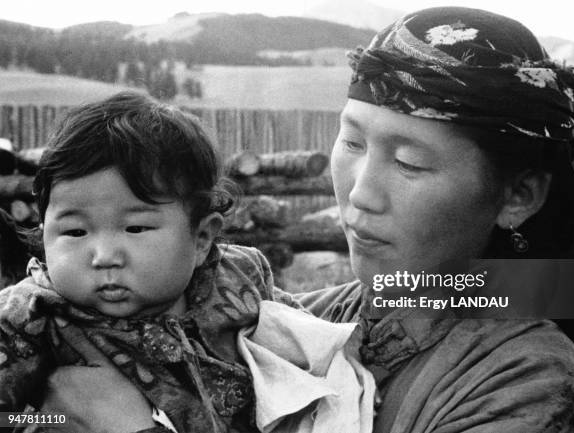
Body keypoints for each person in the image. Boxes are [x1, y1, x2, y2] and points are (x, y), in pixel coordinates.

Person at [37, 6, 574, 433]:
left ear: (519, 195)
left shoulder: (525, 385)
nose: (358, 194)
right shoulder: (303, 320)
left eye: (409, 162)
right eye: (351, 142)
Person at [0, 92, 375, 433]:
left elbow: (307, 341)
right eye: (76, 233)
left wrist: (348, 375)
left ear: (201, 239)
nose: (103, 256)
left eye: (135, 228)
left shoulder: (236, 278)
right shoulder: (31, 316)